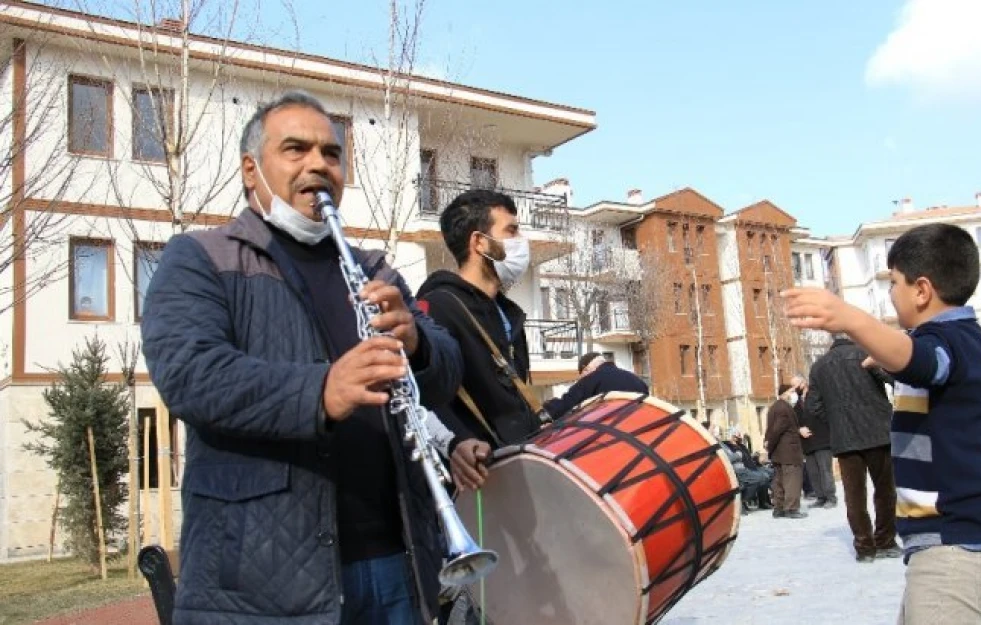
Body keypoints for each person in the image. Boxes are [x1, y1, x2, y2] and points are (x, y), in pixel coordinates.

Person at [141, 91, 463, 625]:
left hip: (395, 566)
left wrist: (418, 344)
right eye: (295, 149)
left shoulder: (374, 268)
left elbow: (447, 373)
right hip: (261, 584)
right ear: (252, 170)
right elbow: (189, 373)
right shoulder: (199, 257)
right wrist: (320, 391)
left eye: (331, 154)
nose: (318, 164)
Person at [784, 223, 981, 625]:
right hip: (947, 540)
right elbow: (916, 361)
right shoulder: (954, 341)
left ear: (922, 290)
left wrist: (851, 319)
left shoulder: (950, 341)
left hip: (956, 540)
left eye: (894, 282)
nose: (890, 293)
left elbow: (921, 359)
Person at [414, 189, 542, 492]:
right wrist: (456, 442)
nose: (521, 241)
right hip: (474, 486)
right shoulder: (438, 306)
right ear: (479, 242)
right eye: (511, 231)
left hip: (516, 474)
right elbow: (418, 396)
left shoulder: (508, 312)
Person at [805, 336, 899, 562]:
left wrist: (836, 422)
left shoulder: (818, 367)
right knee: (885, 491)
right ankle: (885, 541)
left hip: (845, 439)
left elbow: (812, 406)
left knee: (854, 495)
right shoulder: (864, 355)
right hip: (878, 433)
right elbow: (892, 380)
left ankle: (864, 547)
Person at [541, 352, 650, 421]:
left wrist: (544, 412)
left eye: (582, 375)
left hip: (611, 435)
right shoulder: (637, 380)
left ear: (586, 369)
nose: (582, 379)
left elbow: (566, 404)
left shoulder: (592, 379)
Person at [765, 384, 807, 519]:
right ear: (784, 392)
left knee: (779, 480)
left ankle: (779, 508)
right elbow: (777, 430)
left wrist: (769, 445)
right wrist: (769, 444)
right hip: (788, 450)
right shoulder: (784, 408)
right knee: (792, 479)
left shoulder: (775, 407)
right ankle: (791, 508)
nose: (794, 393)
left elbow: (770, 430)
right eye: (792, 391)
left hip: (778, 452)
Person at [794, 374, 836, 508]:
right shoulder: (797, 404)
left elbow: (827, 415)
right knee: (813, 472)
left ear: (804, 383)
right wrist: (799, 429)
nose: (794, 388)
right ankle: (820, 497)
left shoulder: (817, 396)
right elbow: (794, 422)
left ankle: (830, 497)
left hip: (822, 439)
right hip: (807, 443)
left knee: (825, 470)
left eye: (796, 384)